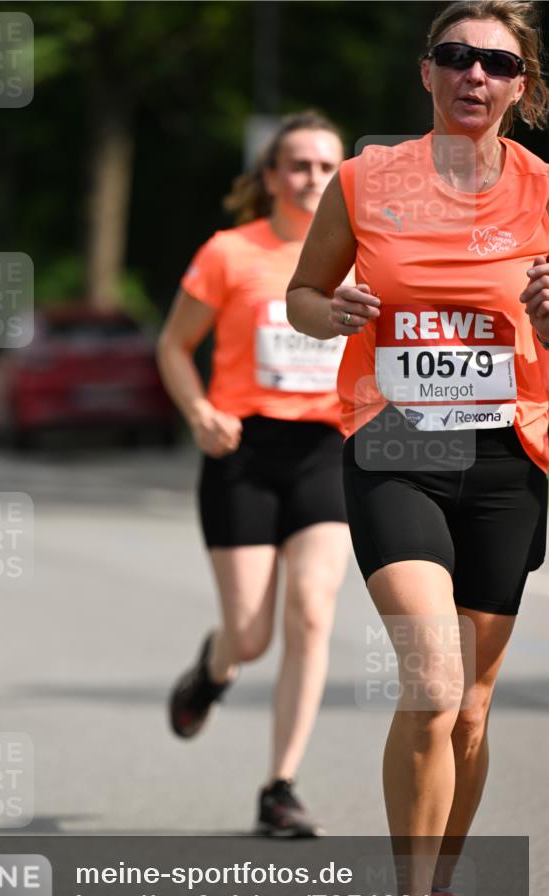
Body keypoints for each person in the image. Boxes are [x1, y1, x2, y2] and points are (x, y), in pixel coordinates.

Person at [286, 1, 548, 896]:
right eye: (455, 56)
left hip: (504, 454)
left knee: (472, 710)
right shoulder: (363, 181)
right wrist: (332, 307)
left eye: (496, 62)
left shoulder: (544, 191)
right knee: (434, 681)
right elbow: (301, 296)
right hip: (394, 443)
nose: (473, 74)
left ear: (519, 90)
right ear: (425, 73)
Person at [157, 111, 351, 837]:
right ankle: (212, 671)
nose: (313, 178)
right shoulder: (227, 253)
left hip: (325, 451)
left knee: (311, 608)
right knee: (249, 637)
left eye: (327, 165)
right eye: (298, 165)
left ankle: (279, 787)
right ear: (270, 177)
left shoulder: (360, 258)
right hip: (239, 451)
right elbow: (173, 346)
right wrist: (198, 410)